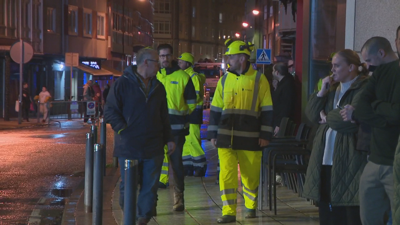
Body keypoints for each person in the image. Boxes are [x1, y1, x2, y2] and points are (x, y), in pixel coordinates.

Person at [104, 48, 175, 225]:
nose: (159, 66)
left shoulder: (158, 87)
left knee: (150, 187)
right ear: (146, 62)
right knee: (128, 186)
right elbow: (110, 111)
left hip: (153, 146)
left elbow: (164, 115)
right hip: (129, 146)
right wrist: (123, 130)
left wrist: (169, 138)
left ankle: (143, 219)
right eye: (156, 62)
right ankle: (130, 216)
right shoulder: (122, 84)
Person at [207, 39, 273, 223]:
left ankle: (250, 207)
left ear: (243, 58)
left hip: (251, 138)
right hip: (225, 137)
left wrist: (265, 135)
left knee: (250, 175)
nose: (229, 60)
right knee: (226, 175)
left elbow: (267, 110)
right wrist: (212, 134)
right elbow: (215, 109)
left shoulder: (260, 79)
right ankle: (228, 212)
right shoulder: (225, 79)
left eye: (232, 56)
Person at [302, 49, 369, 225]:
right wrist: (321, 93)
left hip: (349, 156)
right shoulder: (332, 89)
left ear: (351, 67)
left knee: (349, 211)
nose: (333, 70)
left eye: (337, 65)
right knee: (326, 208)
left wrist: (327, 117)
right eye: (332, 65)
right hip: (325, 157)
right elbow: (311, 115)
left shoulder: (363, 87)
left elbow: (347, 121)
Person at [340, 37, 400, 225]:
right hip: (374, 158)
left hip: (393, 159)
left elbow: (396, 114)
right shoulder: (377, 74)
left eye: (369, 60)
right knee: (368, 216)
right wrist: (381, 112)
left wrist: (372, 108)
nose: (366, 66)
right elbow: (361, 105)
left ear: (381, 53)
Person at [156, 44, 197, 212]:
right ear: (158, 57)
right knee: (154, 165)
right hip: (156, 129)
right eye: (162, 56)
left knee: (177, 165)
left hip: (176, 129)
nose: (165, 58)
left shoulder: (182, 77)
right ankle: (152, 201)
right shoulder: (154, 76)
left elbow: (192, 103)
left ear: (172, 56)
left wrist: (180, 114)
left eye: (168, 55)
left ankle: (179, 198)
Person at [178, 52, 207, 177]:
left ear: (187, 63)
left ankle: (200, 166)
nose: (179, 64)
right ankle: (187, 166)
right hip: (186, 112)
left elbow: (194, 96)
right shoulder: (183, 75)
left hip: (194, 112)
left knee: (193, 139)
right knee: (185, 140)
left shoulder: (193, 76)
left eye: (181, 62)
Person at [271, 62, 295, 135]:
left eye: (273, 71)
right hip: (279, 120)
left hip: (281, 122)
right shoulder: (284, 83)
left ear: (277, 72)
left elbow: (285, 106)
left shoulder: (287, 85)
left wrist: (279, 124)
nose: (272, 73)